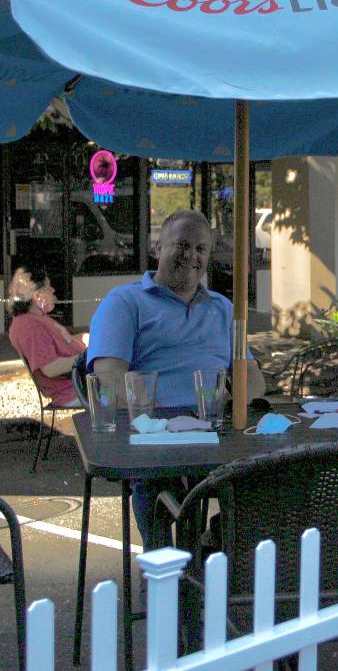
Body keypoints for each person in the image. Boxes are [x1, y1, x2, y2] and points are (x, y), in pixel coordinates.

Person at [87, 209, 266, 549]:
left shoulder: (223, 308)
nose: (191, 256)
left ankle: (214, 551)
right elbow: (109, 380)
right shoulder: (124, 302)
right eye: (181, 245)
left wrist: (229, 405)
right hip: (155, 435)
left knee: (270, 476)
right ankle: (162, 573)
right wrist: (162, 421)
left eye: (201, 249)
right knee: (161, 485)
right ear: (158, 247)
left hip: (216, 430)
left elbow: (254, 382)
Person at [6, 265, 86, 407]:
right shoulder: (29, 326)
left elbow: (64, 344)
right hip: (75, 389)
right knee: (128, 387)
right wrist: (88, 355)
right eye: (48, 288)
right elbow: (50, 369)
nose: (53, 291)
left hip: (82, 381)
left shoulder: (35, 319)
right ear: (37, 296)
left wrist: (85, 339)